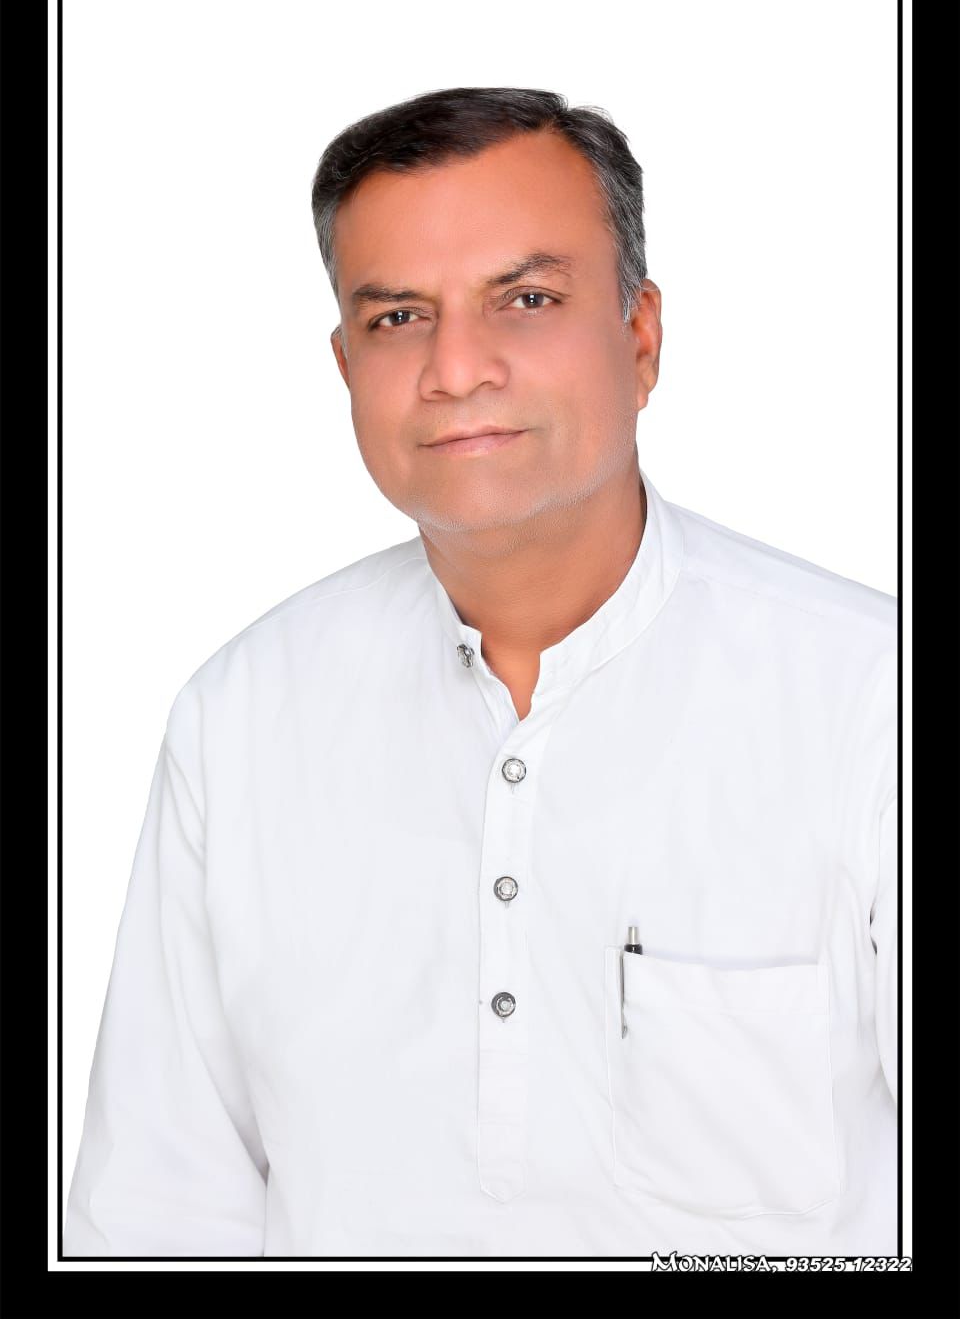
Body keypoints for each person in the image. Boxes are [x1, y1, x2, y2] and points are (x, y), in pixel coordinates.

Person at [63, 86, 898, 1259]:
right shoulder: (240, 719)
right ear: (345, 364)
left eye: (528, 299)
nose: (456, 368)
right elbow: (157, 1215)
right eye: (399, 317)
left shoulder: (869, 700)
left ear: (641, 337)